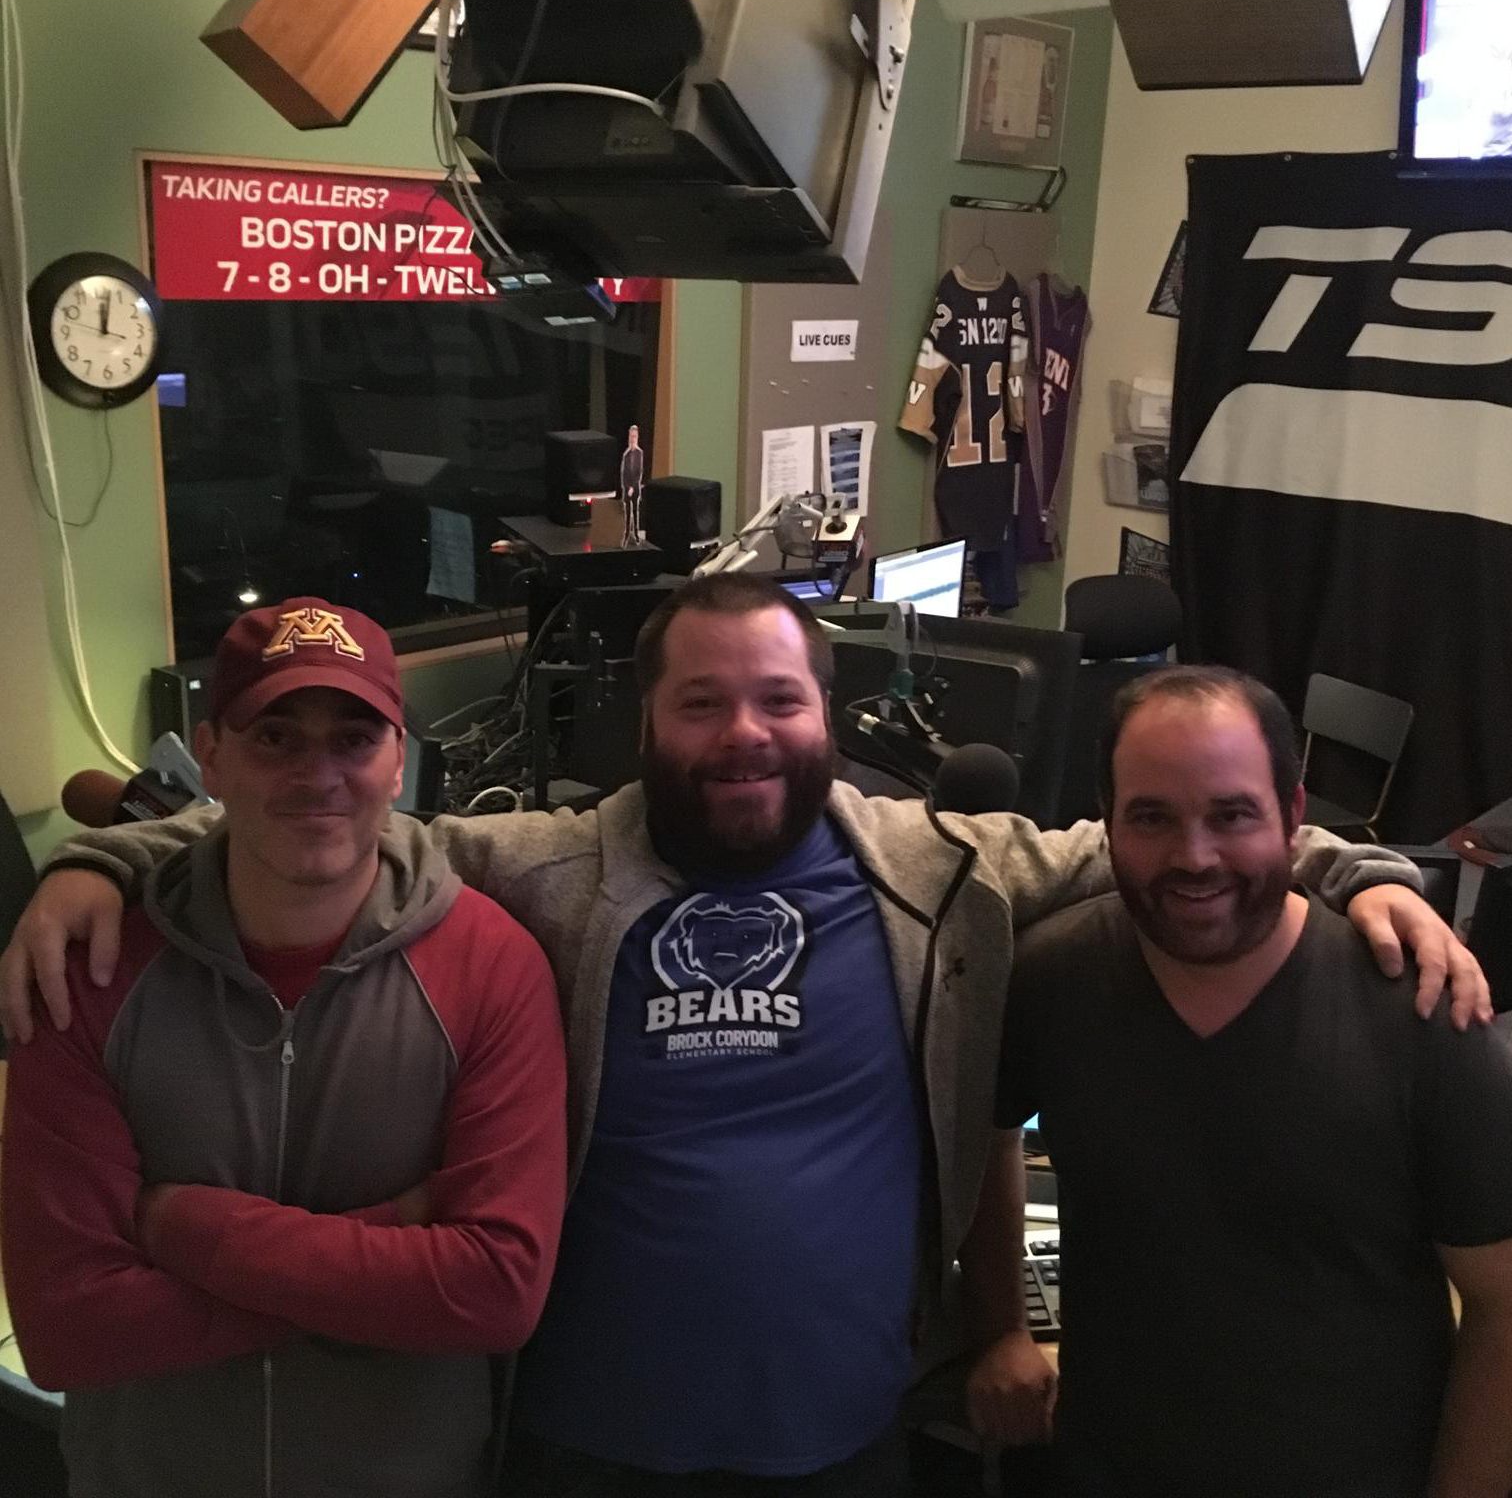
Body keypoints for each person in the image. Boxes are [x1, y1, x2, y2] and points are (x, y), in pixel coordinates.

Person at [0, 577, 1487, 1498]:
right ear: (646, 722)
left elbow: (1167, 842)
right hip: (584, 1448)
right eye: (702, 703)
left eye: (778, 699)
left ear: (827, 712)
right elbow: (331, 823)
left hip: (844, 1444)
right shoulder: (545, 869)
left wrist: (1359, 873)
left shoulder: (944, 871)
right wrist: (109, 861)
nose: (744, 732)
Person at [1, 597, 567, 1498]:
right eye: (275, 738)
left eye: (354, 739)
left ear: (398, 761)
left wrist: (191, 1230)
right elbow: (71, 1329)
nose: (319, 775)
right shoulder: (88, 969)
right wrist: (393, 1246)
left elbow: (495, 1293)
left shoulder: (492, 967)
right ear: (210, 755)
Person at [962, 666, 1512, 1498]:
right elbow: (987, 1132)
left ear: (1293, 816)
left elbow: (1502, 1309)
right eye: (1152, 817)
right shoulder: (1050, 978)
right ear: (1107, 822)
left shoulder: (1422, 1007)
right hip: (1103, 1467)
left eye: (1232, 815)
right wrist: (1001, 1324)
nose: (1194, 857)